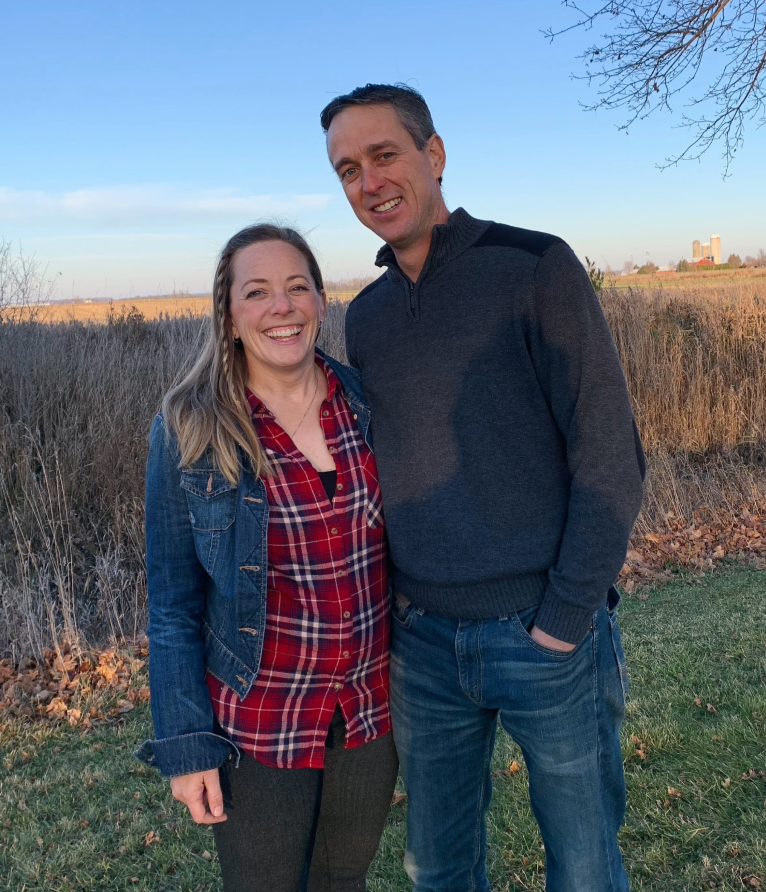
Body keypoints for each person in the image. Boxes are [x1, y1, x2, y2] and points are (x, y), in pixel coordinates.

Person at [320, 84, 645, 892]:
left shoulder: (534, 267)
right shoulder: (366, 316)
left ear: (433, 155)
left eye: (384, 155)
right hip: (423, 644)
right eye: (347, 168)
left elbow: (609, 451)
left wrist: (567, 617)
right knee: (439, 869)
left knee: (584, 866)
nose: (370, 182)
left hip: (545, 633)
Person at [135, 223, 398, 892]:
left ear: (320, 301)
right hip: (263, 719)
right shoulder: (189, 428)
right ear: (227, 315)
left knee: (343, 882)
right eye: (257, 292)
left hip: (368, 713)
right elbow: (171, 606)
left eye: (296, 287)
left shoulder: (364, 402)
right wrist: (187, 745)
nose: (281, 307)